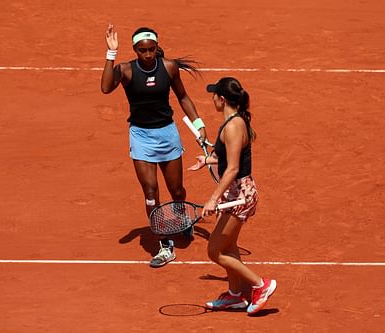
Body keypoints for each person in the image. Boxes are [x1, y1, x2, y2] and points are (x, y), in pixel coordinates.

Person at [101, 24, 207, 268]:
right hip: (140, 136)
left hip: (167, 135)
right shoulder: (126, 70)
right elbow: (106, 88)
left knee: (177, 190)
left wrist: (199, 126)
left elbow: (183, 97)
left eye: (151, 49)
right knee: (150, 191)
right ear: (135, 50)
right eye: (142, 50)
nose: (147, 55)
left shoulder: (169, 67)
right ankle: (165, 244)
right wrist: (111, 54)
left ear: (157, 48)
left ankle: (181, 216)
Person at [188, 77, 276, 315]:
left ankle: (260, 285)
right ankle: (236, 296)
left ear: (222, 99)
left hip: (240, 195)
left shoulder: (233, 126)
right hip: (235, 192)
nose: (212, 98)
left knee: (215, 251)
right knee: (230, 246)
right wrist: (207, 159)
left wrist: (213, 199)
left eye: (214, 94)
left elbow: (234, 168)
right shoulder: (234, 121)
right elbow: (229, 158)